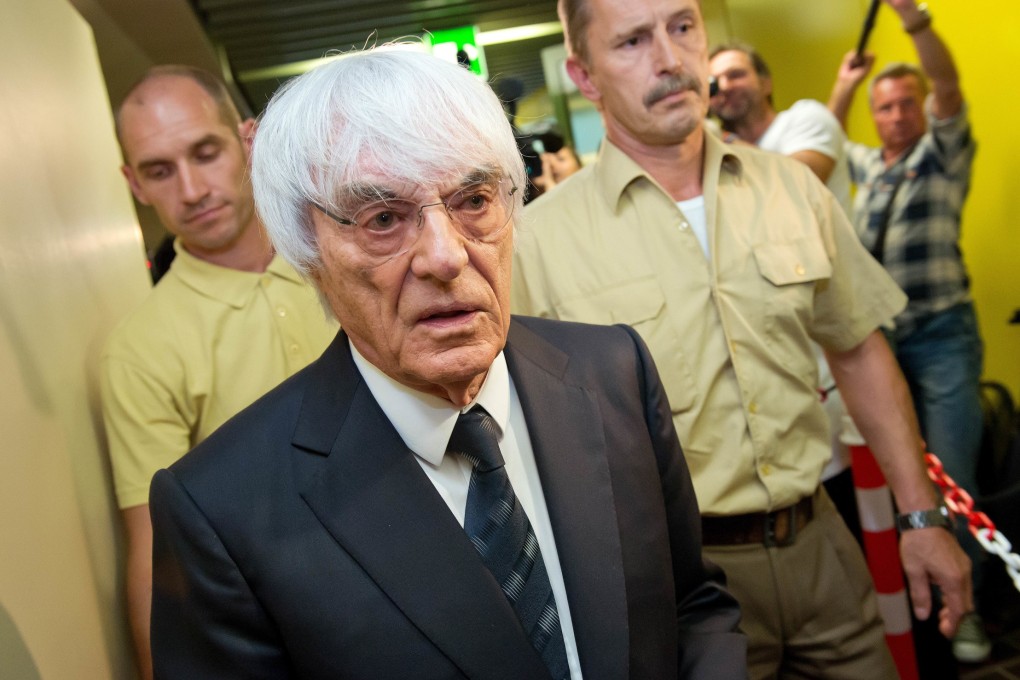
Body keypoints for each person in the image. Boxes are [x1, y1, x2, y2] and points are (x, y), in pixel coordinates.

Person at [147, 46, 746, 679]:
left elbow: (693, 605)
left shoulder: (613, 374)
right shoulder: (223, 510)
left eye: (474, 201)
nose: (446, 257)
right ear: (306, 247)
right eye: (383, 218)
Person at [511, 0, 972, 676]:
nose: (669, 58)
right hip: (677, 582)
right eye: (633, 41)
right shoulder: (538, 244)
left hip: (821, 548)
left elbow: (858, 351)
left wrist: (920, 516)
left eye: (682, 27)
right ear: (584, 75)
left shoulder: (791, 188)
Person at [100, 65, 336, 679]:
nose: (192, 188)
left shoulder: (347, 257)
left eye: (205, 153)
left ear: (248, 141)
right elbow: (156, 553)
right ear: (134, 185)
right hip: (283, 624)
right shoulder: (139, 349)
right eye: (159, 170)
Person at [828, 0, 986, 663]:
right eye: (885, 107)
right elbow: (824, 140)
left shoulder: (942, 154)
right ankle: (919, 618)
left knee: (950, 480)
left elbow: (949, 88)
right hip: (884, 345)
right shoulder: (870, 166)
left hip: (944, 338)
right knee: (898, 477)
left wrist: (917, 26)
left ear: (922, 108)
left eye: (906, 104)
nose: (896, 115)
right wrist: (844, 87)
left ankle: (967, 617)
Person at [708, 41, 859, 539]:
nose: (724, 87)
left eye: (735, 74)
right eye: (715, 82)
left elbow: (795, 183)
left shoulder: (805, 119)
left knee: (865, 498)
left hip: (842, 335)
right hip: (783, 351)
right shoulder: (717, 153)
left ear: (766, 81)